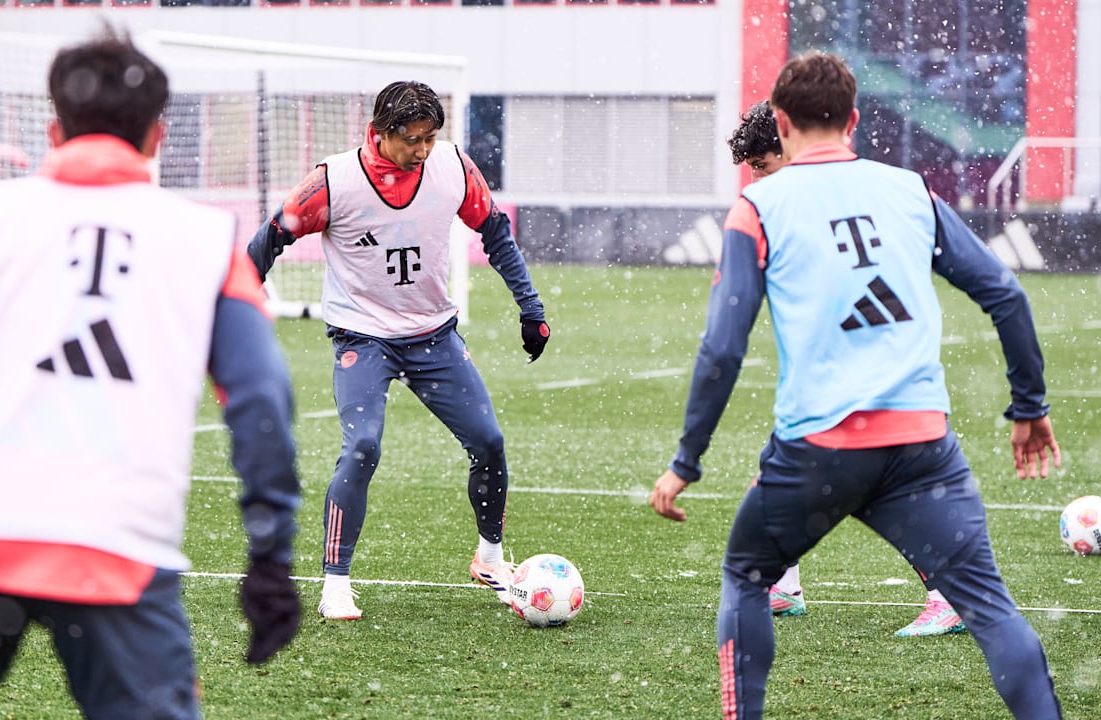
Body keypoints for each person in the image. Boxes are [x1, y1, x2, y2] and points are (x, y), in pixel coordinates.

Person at [0, 28, 302, 719]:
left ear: (53, 129)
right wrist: (270, 557)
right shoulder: (206, 241)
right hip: (120, 548)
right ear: (159, 136)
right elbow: (261, 397)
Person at [651, 52, 1063, 719]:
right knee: (990, 609)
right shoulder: (911, 191)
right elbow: (1006, 296)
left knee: (745, 576)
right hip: (923, 446)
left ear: (779, 125)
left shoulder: (758, 204)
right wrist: (1029, 406)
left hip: (820, 449)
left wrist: (686, 463)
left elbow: (722, 350)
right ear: (855, 120)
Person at [248, 80, 550, 620]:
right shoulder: (333, 183)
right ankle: (335, 583)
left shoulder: (454, 166)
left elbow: (496, 233)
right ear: (380, 134)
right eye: (413, 140)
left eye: (431, 137)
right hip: (361, 339)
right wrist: (240, 311)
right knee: (362, 445)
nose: (423, 150)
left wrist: (531, 308)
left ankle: (490, 557)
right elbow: (270, 237)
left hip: (433, 336)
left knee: (490, 442)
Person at [728, 100, 968, 637]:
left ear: (786, 149)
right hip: (844, 376)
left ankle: (947, 592)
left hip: (871, 380)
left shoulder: (823, 201)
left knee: (878, 488)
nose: (758, 183)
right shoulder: (810, 200)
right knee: (778, 465)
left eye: (762, 168)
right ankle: (782, 585)